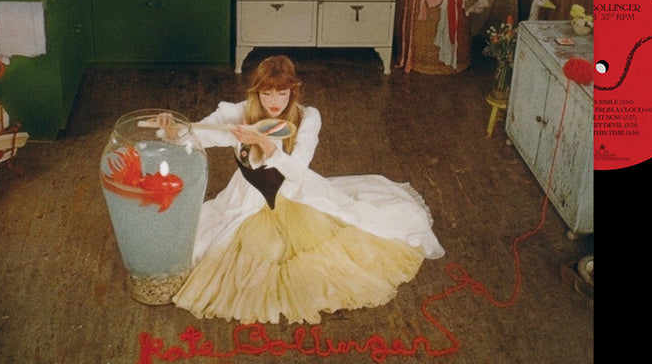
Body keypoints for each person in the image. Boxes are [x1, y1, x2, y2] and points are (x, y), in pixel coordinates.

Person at [155, 55, 444, 325]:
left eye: (282, 93)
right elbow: (201, 135)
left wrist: (265, 144)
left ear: (293, 91)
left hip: (292, 194)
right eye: (267, 93)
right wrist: (173, 132)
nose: (274, 101)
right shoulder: (239, 112)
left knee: (327, 248)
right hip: (245, 198)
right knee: (204, 247)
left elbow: (296, 170)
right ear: (257, 92)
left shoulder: (307, 117)